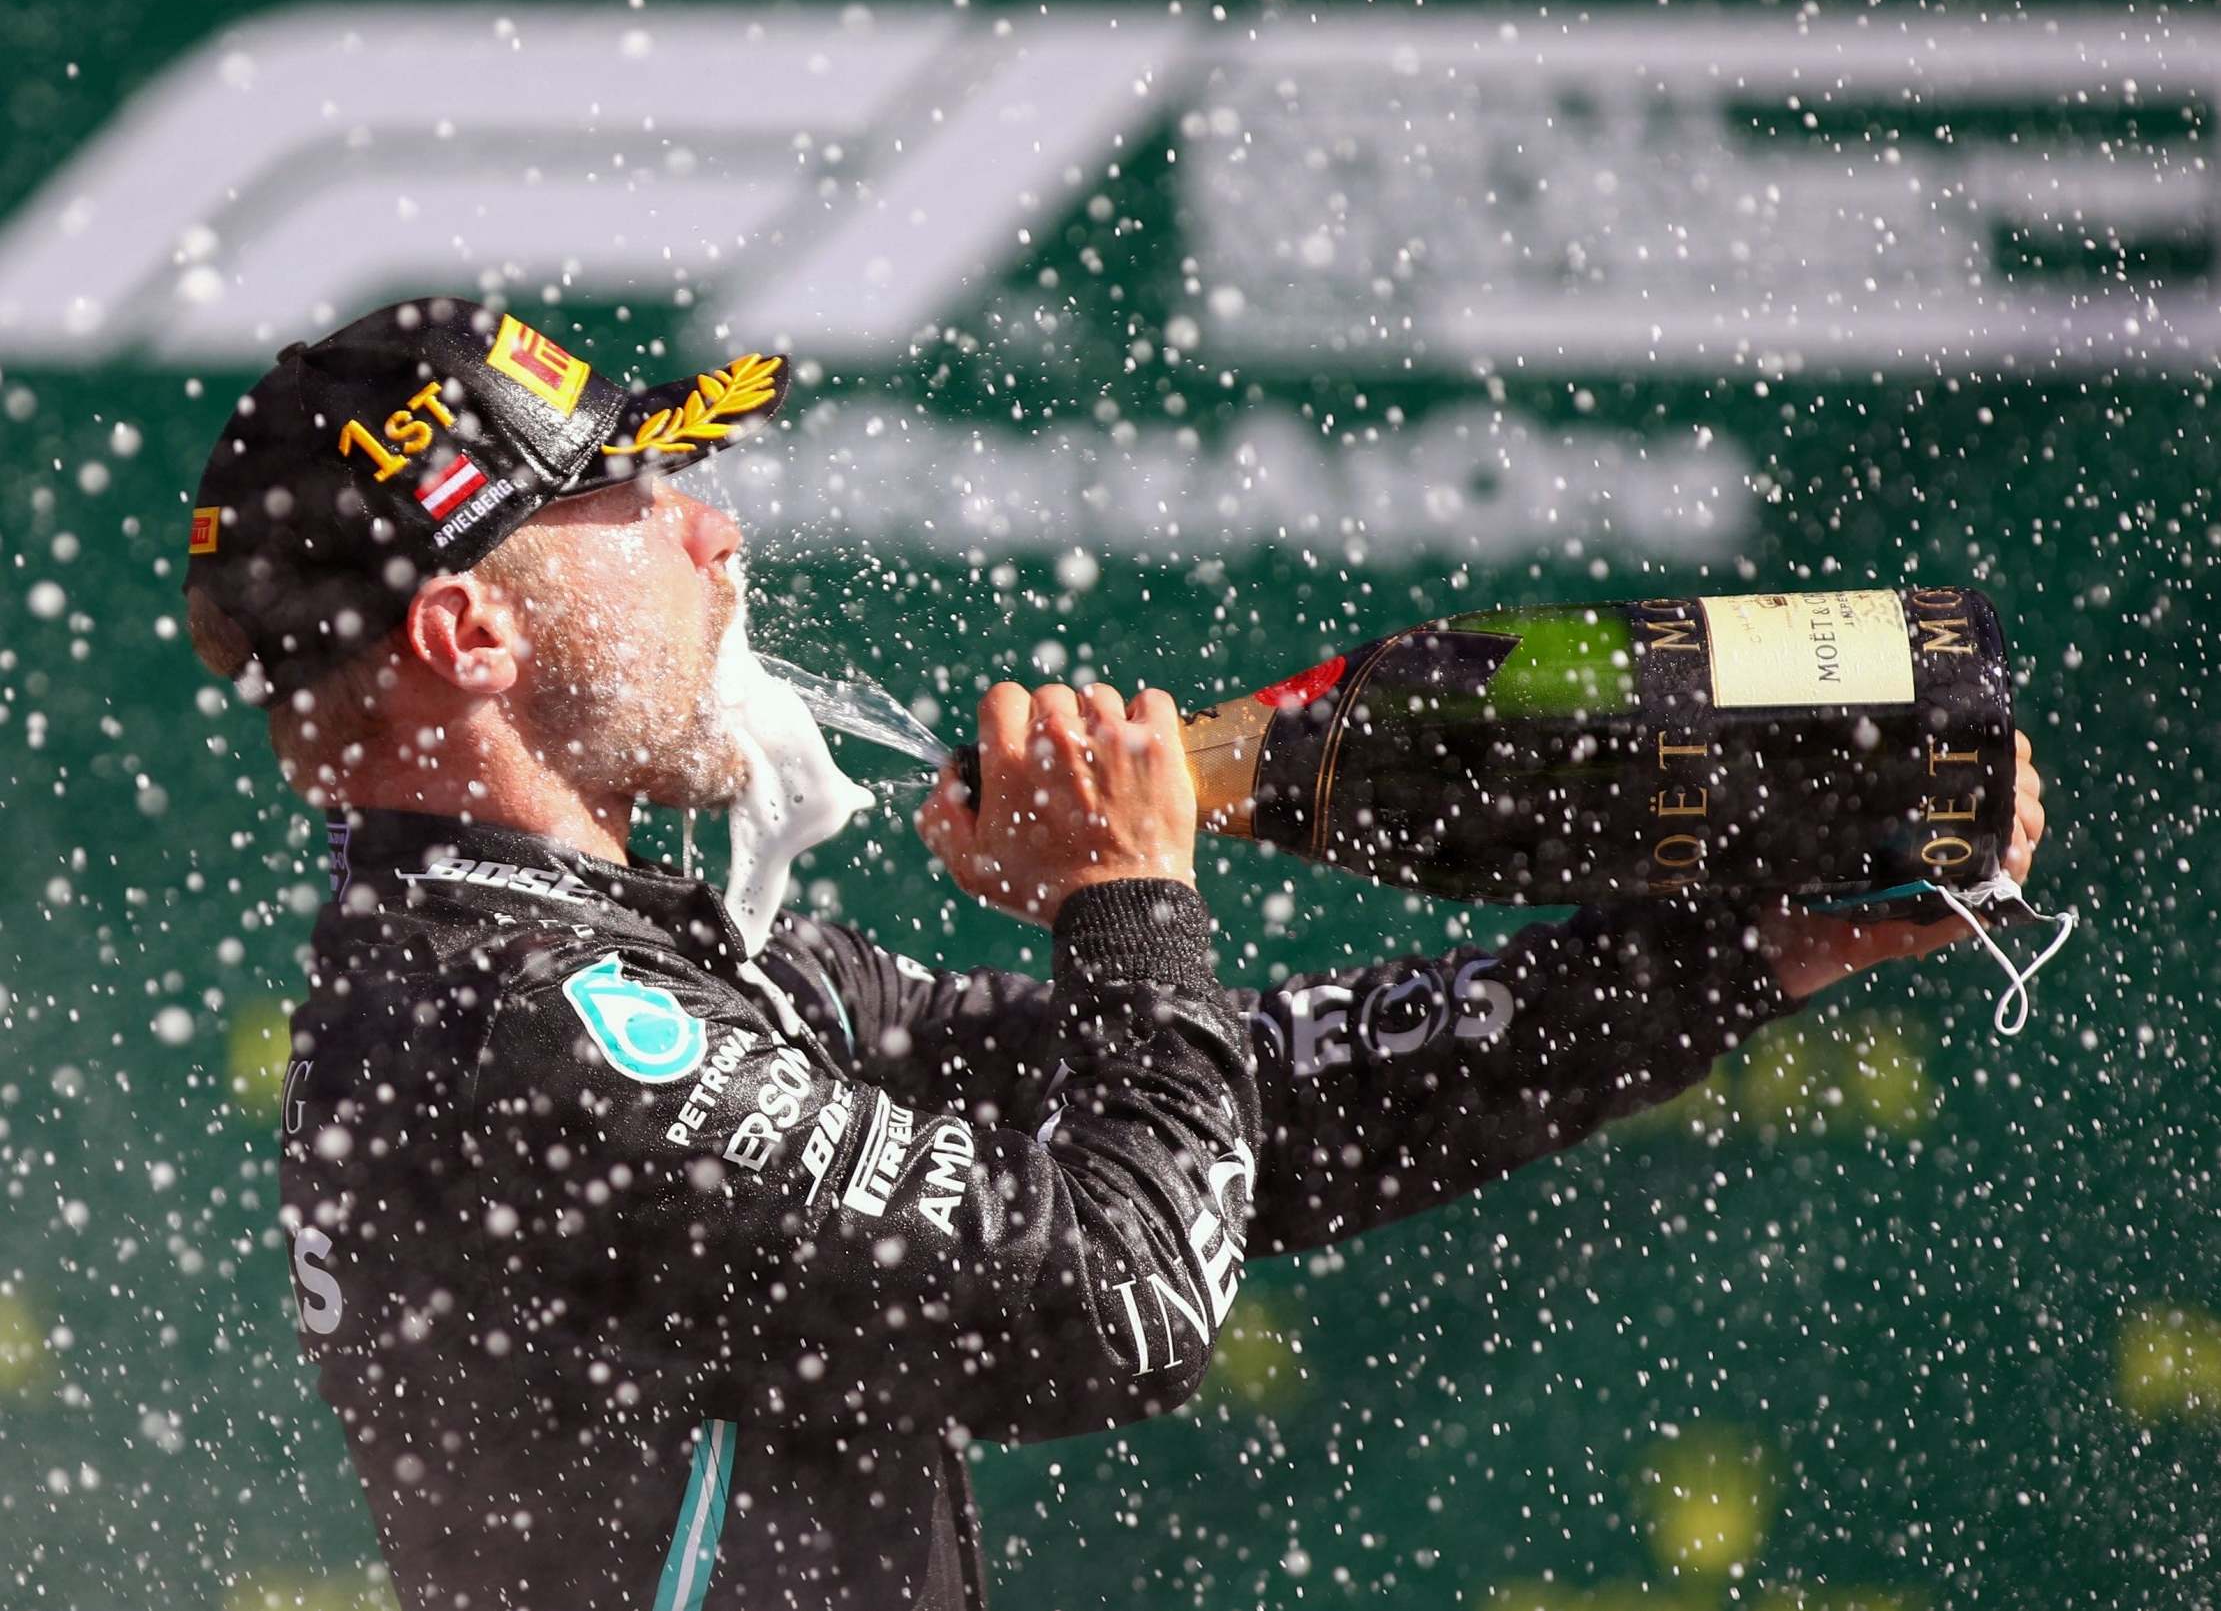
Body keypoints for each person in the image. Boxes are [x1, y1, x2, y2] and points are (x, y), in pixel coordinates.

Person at [186, 299, 2046, 1611]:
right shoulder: (520, 1021)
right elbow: (1117, 1297)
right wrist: (1124, 901)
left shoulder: (601, 966)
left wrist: (1745, 949)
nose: (712, 529)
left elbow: (1262, 1124)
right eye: (625, 499)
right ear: (466, 632)